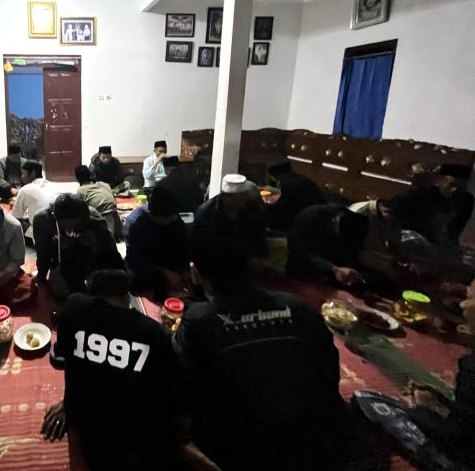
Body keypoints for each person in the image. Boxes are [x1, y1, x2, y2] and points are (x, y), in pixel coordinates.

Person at [175, 238, 348, 471]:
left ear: (196, 273)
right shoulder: (299, 307)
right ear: (250, 267)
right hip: (316, 439)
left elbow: (184, 384)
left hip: (240, 450)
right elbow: (329, 371)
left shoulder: (198, 319)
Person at [41, 269, 218, 471]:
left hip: (88, 435)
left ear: (90, 293)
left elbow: (66, 359)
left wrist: (70, 402)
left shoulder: (73, 311)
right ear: (128, 298)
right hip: (139, 443)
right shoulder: (152, 332)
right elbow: (173, 390)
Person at [33, 194, 124, 300]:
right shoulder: (42, 220)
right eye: (65, 226)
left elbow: (110, 249)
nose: (70, 229)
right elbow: (42, 252)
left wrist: (114, 276)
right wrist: (42, 277)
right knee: (60, 293)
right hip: (60, 259)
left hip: (88, 256)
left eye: (73, 224)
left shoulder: (93, 217)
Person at [126, 187, 190, 301]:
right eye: (167, 218)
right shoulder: (140, 227)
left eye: (173, 216)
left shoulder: (175, 223)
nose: (171, 220)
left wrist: (185, 268)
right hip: (150, 275)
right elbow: (135, 260)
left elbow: (185, 247)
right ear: (154, 215)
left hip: (175, 273)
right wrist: (163, 272)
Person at [285, 203, 369, 287]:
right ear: (335, 221)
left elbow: (353, 251)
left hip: (330, 276)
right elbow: (299, 251)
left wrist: (354, 269)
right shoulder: (310, 216)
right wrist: (333, 268)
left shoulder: (355, 223)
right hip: (301, 269)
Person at [193, 173, 268, 261]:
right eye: (239, 197)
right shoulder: (206, 211)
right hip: (215, 260)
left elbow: (259, 235)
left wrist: (259, 257)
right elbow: (198, 242)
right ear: (226, 196)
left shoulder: (252, 207)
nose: (244, 199)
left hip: (244, 260)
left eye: (245, 195)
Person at [265, 161, 326, 231]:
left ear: (279, 176)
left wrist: (266, 205)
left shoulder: (289, 184)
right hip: (316, 214)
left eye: (276, 178)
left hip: (308, 219)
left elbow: (283, 208)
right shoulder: (299, 178)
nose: (277, 181)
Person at [11, 160, 59, 240]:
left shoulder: (25, 189)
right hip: (57, 230)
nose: (21, 177)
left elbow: (15, 216)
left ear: (33, 173)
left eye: (23, 173)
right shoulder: (53, 186)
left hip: (40, 234)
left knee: (14, 223)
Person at [74, 164, 121, 237]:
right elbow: (112, 198)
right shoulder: (104, 184)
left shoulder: (80, 190)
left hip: (101, 215)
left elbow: (80, 210)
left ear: (77, 179)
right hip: (114, 212)